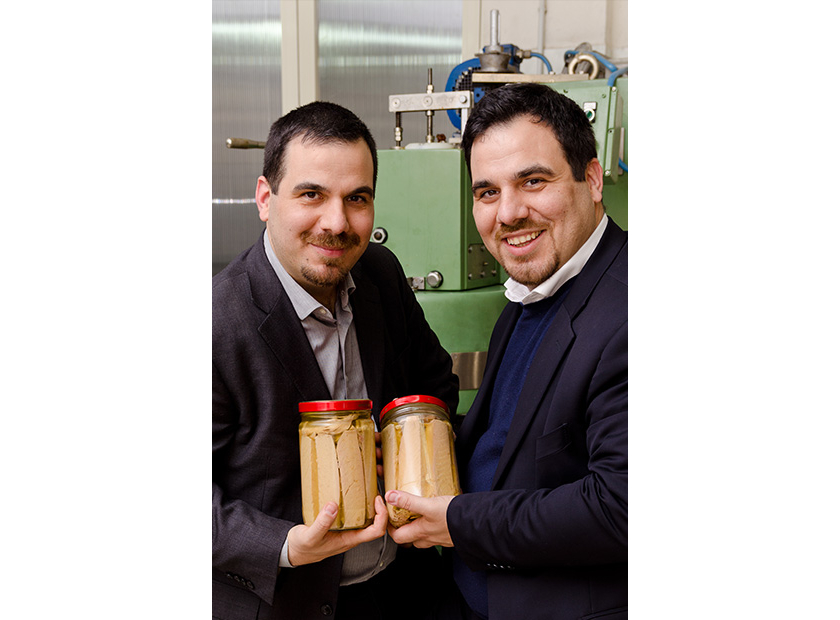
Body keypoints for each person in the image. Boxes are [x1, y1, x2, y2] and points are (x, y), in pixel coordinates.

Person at [385, 83, 628, 620]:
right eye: (487, 192)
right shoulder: (529, 296)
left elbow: (620, 508)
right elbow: (518, 439)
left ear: (591, 179)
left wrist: (457, 521)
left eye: (533, 181)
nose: (509, 213)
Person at [213, 101, 459, 620]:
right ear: (265, 198)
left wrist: (403, 451)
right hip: (285, 603)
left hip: (401, 591)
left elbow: (435, 385)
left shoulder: (381, 273)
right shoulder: (215, 322)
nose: (337, 222)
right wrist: (285, 545)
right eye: (311, 194)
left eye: (357, 198)